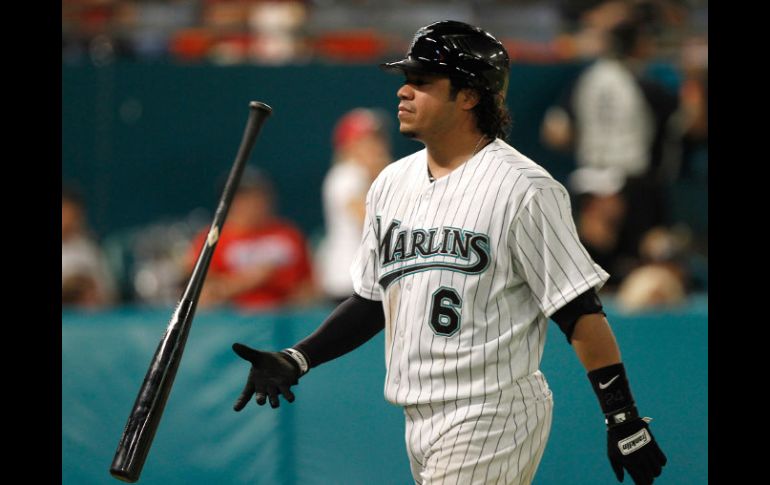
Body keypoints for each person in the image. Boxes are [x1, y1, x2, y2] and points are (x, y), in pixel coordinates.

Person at [231, 21, 666, 484]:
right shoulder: (390, 184)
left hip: (491, 410)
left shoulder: (524, 188)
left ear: (469, 95)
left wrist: (623, 416)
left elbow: (579, 310)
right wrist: (298, 357)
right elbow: (372, 301)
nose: (404, 92)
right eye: (406, 80)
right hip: (417, 415)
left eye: (422, 82)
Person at [541, 16, 681, 284]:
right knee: (646, 258)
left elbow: (555, 132)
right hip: (633, 184)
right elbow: (683, 125)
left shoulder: (587, 79)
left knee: (584, 272)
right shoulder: (645, 86)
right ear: (640, 46)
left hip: (587, 180)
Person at [188, 168, 315, 310]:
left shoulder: (289, 234)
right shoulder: (212, 238)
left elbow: (310, 284)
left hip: (285, 319)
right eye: (244, 197)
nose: (254, 203)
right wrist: (248, 280)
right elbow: (200, 296)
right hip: (234, 321)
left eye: (259, 195)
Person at [316, 108, 391, 304]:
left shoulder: (363, 175)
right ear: (349, 145)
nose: (378, 146)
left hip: (360, 278)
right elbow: (369, 220)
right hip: (350, 281)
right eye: (368, 139)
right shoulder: (347, 174)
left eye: (379, 138)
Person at [62, 186, 116, 308]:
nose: (66, 218)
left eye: (70, 212)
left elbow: (109, 294)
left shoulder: (88, 250)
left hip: (87, 321)